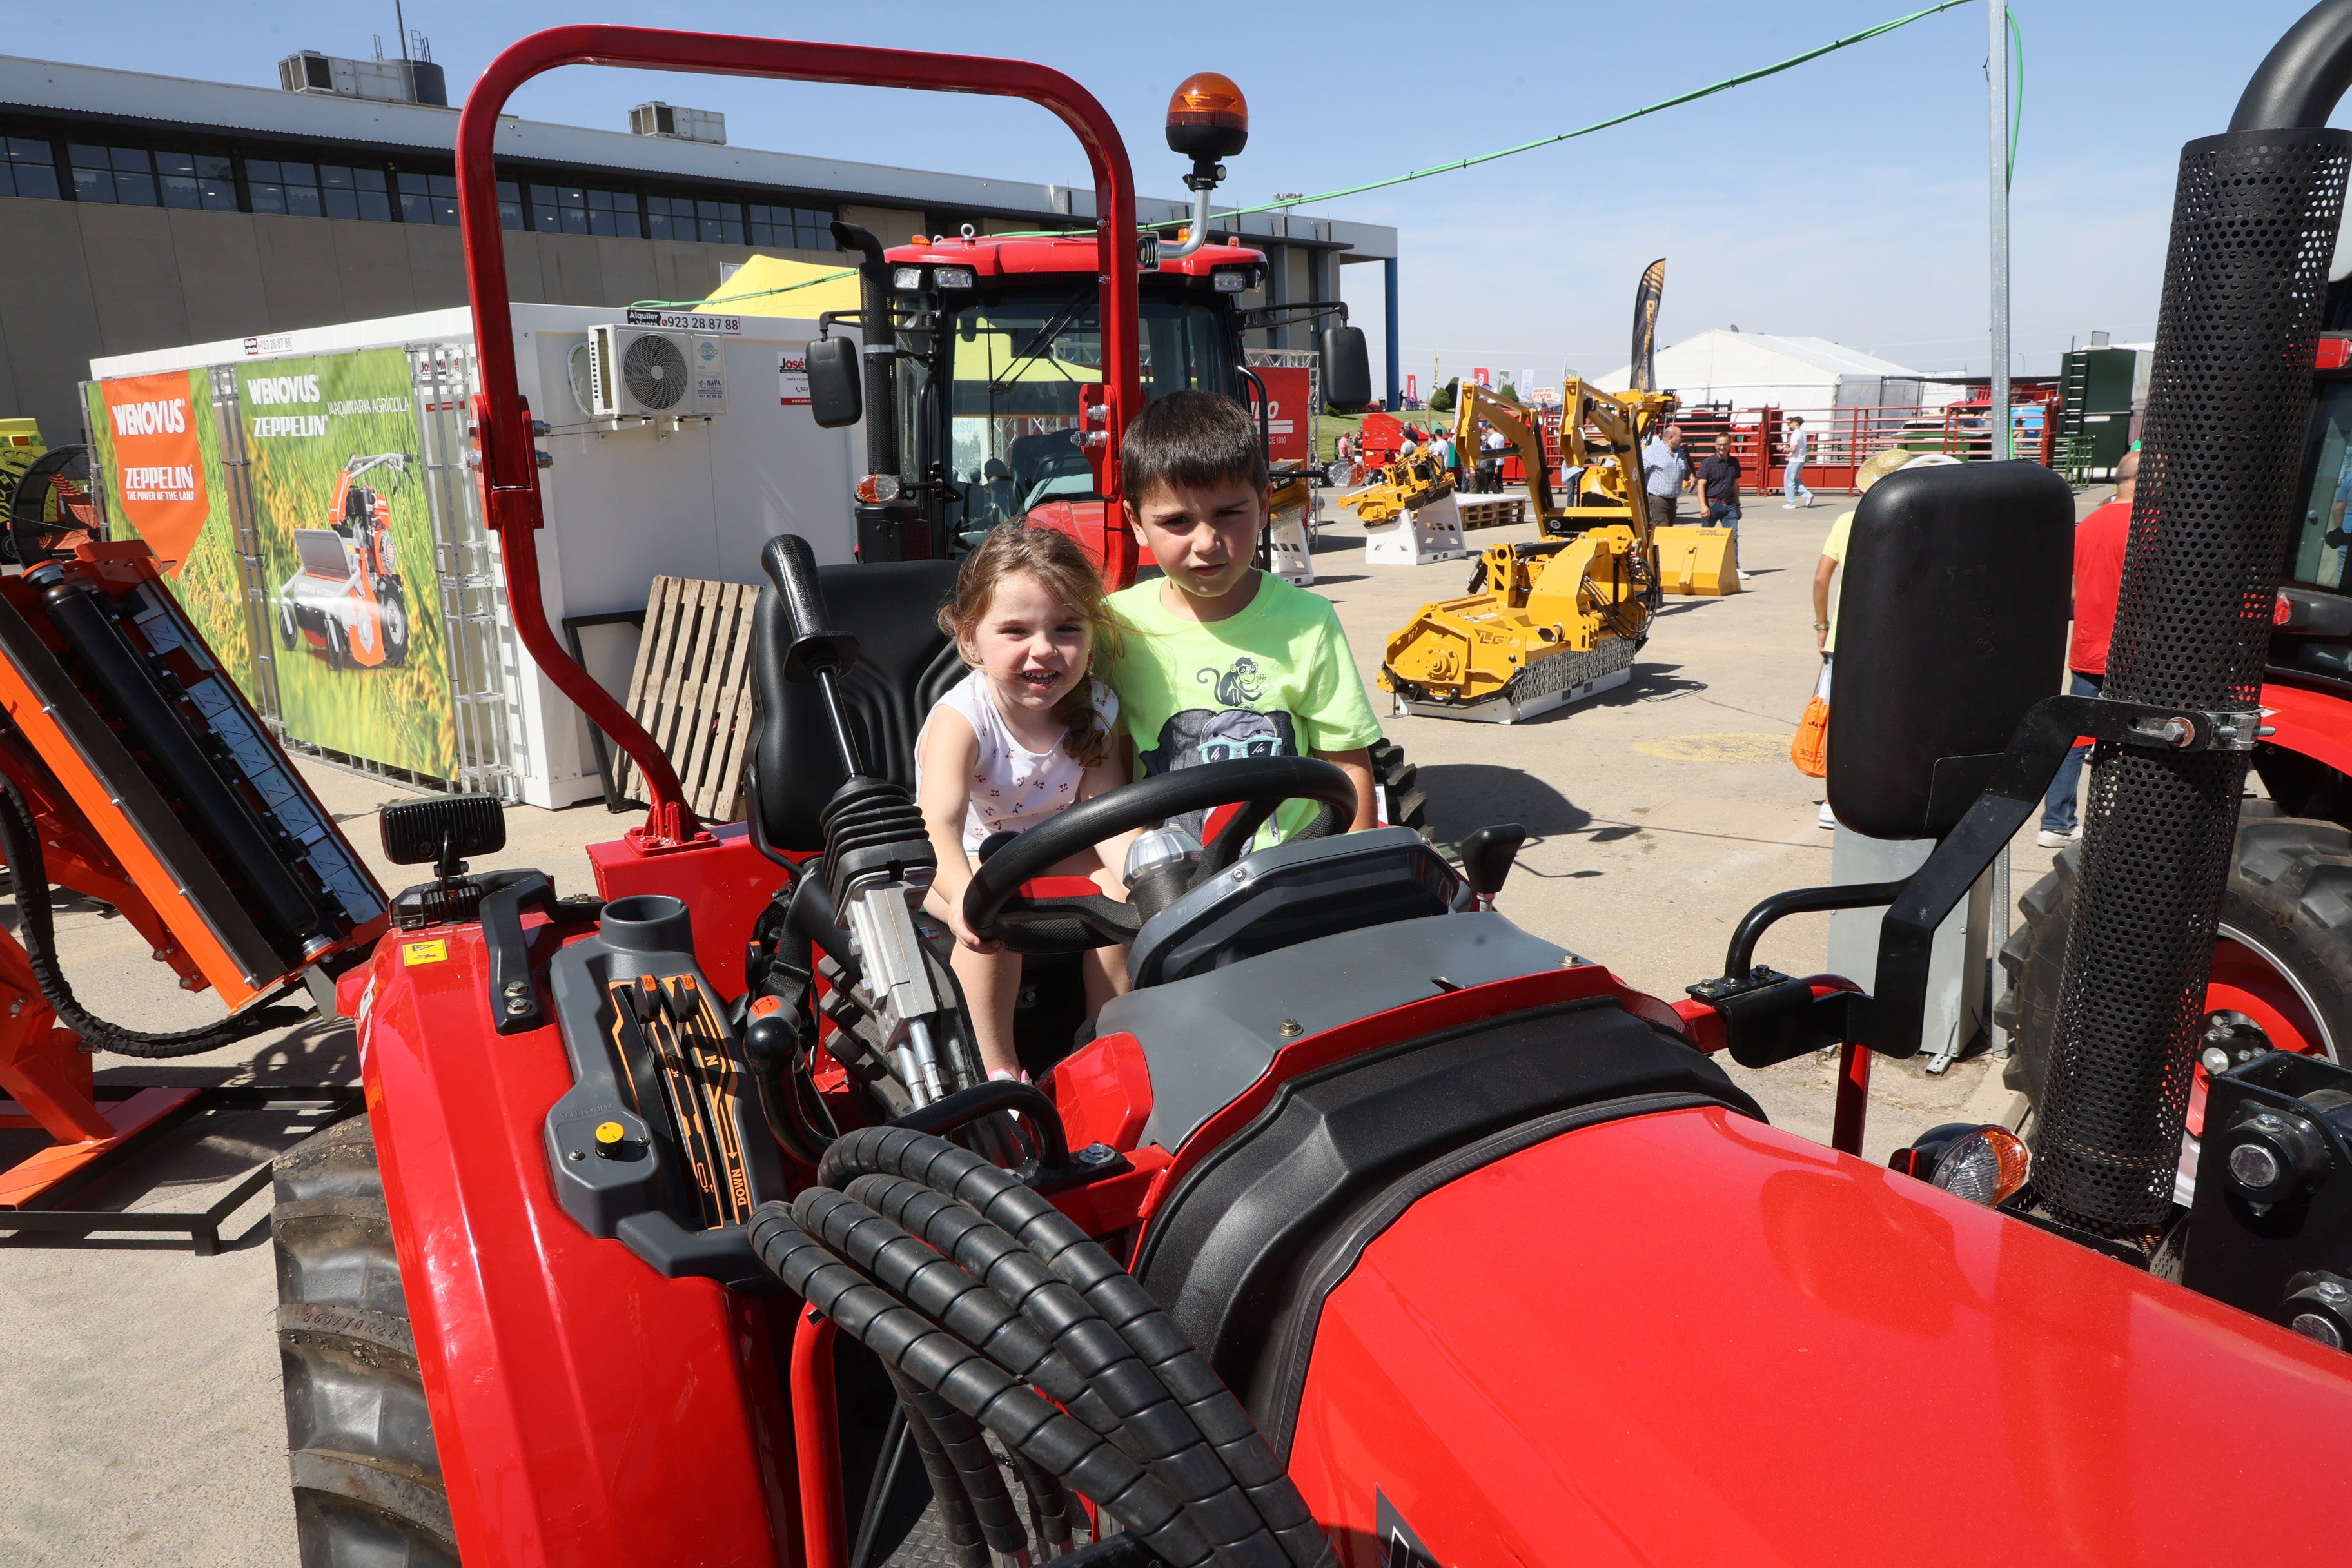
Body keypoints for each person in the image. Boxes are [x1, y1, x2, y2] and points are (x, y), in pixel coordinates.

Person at [1108, 389, 1382, 852]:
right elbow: (1110, 770)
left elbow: (1348, 767)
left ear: (1263, 504)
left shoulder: (1309, 623)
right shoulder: (1116, 628)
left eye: (1229, 514)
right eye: (1177, 522)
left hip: (1290, 873)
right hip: (1170, 883)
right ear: (1136, 523)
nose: (1207, 542)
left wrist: (1354, 868)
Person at [916, 525, 1131, 1079]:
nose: (1044, 650)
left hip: (1051, 846)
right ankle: (997, 1069)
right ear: (970, 640)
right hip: (962, 860)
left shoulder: (1098, 707)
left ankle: (1108, 1043)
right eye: (1015, 630)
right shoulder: (963, 718)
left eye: (1066, 629)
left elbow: (1108, 818)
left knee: (1124, 900)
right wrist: (967, 899)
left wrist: (1144, 878)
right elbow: (938, 824)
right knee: (994, 920)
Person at [1812, 449, 1962, 827]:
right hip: (1905, 641)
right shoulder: (1924, 521)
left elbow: (1821, 578)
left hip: (1848, 638)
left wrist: (1822, 625)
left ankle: (1835, 800)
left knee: (1841, 720)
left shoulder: (1849, 520)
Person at [2038, 447, 2139, 847]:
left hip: (2089, 646)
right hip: (2138, 655)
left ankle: (2055, 821)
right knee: (2136, 739)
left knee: (2077, 737)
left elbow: (2072, 592)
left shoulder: (2088, 524)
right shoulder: (2154, 527)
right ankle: (2125, 829)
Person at [1694, 435, 1755, 582]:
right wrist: (1703, 506)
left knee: (1732, 537)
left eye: (1725, 444)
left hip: (1730, 505)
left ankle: (1735, 568)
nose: (1722, 447)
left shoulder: (1734, 462)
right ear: (1715, 445)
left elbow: (1735, 485)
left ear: (1730, 445)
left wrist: (1738, 505)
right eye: (1719, 445)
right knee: (1706, 536)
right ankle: (1703, 567)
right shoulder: (1708, 463)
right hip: (1712, 504)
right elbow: (1701, 485)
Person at [1641, 422, 1689, 532]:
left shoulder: (1679, 452)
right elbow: (1640, 473)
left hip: (1673, 500)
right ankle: (1659, 549)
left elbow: (1686, 468)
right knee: (1662, 529)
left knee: (1669, 528)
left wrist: (1691, 477)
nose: (1682, 439)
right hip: (1657, 499)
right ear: (1671, 437)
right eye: (1680, 437)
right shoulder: (1651, 451)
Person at [1783, 415, 1814, 509]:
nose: (1789, 425)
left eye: (1790, 423)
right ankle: (1807, 494)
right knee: (1795, 480)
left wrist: (1783, 448)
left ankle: (1791, 503)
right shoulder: (1802, 433)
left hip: (1795, 461)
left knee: (1789, 481)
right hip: (1800, 460)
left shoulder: (1795, 434)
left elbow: (1793, 448)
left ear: (1795, 423)